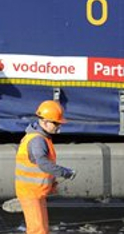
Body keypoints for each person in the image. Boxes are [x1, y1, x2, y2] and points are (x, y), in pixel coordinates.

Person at [15, 100, 76, 234]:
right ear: (45, 122)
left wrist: (51, 182)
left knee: (41, 230)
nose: (58, 126)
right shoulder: (37, 140)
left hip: (35, 192)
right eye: (56, 123)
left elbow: (38, 166)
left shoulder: (41, 138)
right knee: (38, 231)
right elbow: (43, 164)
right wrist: (65, 172)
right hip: (31, 193)